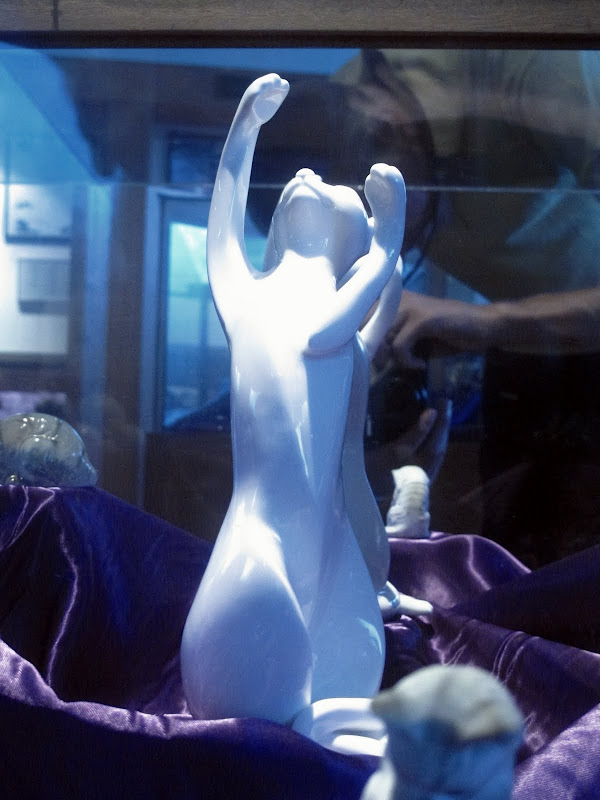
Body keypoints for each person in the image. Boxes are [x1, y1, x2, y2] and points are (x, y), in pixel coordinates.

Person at [334, 49, 600, 566]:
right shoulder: (352, 97)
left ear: (403, 135)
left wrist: (481, 323)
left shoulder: (532, 64)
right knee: (515, 556)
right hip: (523, 357)